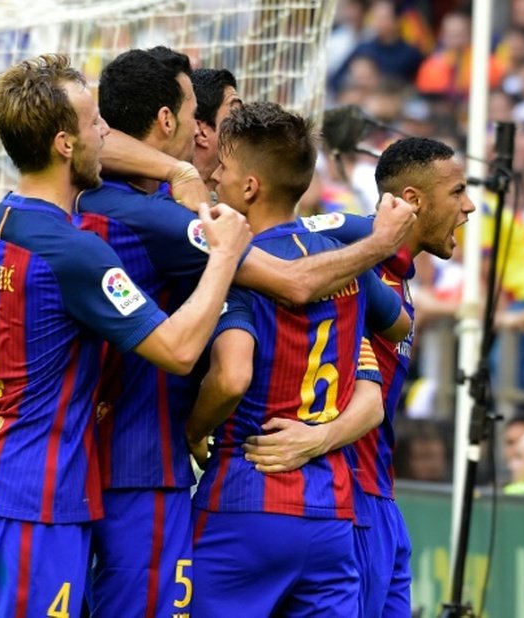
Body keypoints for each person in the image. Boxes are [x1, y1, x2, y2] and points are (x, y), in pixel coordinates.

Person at [0, 53, 251, 617]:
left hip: (11, 478)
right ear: (65, 144)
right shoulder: (76, 253)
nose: (107, 135)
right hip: (37, 495)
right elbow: (178, 348)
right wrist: (224, 256)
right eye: (96, 124)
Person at [187, 101, 407, 617]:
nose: (214, 177)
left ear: (250, 188)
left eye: (224, 167)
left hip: (245, 498)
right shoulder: (342, 265)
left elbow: (232, 376)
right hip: (330, 513)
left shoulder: (239, 267)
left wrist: (191, 428)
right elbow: (398, 323)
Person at [240, 136, 476, 617]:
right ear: (411, 201)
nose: (469, 206)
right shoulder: (349, 274)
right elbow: (365, 404)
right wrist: (317, 440)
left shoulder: (394, 278)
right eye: (457, 192)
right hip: (348, 501)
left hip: (382, 500)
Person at [189, 67, 242, 193]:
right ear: (201, 132)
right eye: (236, 115)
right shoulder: (159, 201)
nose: (245, 127)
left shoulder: (248, 205)